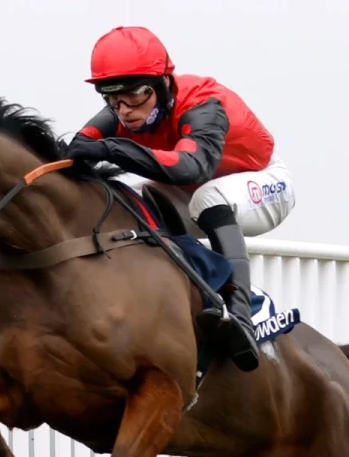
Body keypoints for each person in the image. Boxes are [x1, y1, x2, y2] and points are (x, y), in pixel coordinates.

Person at [64, 26, 296, 373]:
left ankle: (243, 310)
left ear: (162, 84)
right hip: (203, 189)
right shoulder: (125, 108)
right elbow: (75, 149)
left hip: (265, 183)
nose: (124, 110)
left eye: (135, 96)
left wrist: (111, 149)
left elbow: (190, 167)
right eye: (111, 98)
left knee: (207, 196)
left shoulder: (203, 104)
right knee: (140, 198)